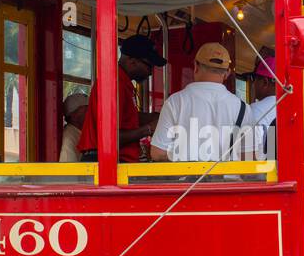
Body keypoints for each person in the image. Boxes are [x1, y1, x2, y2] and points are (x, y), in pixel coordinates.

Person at [150, 43, 246, 162]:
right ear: (227, 73)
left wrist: (187, 155)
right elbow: (250, 156)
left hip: (186, 180)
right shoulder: (243, 108)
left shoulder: (175, 102)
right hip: (230, 180)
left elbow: (158, 153)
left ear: (195, 66)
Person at [76, 34, 163, 162]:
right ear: (132, 61)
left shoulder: (122, 83)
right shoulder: (112, 83)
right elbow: (110, 137)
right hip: (105, 161)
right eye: (148, 66)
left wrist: (154, 117)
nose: (150, 72)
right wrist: (149, 128)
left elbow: (125, 118)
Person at [246, 49, 279, 160]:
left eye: (254, 79)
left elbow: (247, 156)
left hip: (262, 173)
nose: (253, 84)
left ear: (265, 82)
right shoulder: (292, 108)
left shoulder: (251, 111)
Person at [58, 92, 87, 163]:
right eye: (86, 110)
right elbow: (68, 172)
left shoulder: (79, 133)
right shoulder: (69, 138)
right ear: (74, 115)